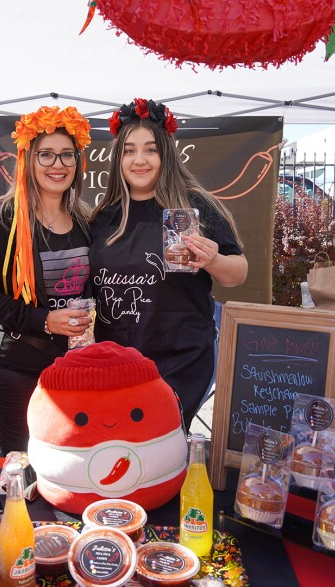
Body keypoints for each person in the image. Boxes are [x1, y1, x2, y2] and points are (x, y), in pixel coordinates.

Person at [90, 98, 249, 431]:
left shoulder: (193, 205)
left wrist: (214, 260)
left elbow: (238, 273)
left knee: (161, 447)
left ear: (166, 154)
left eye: (150, 149)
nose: (140, 160)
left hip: (180, 359)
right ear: (118, 158)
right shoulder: (105, 216)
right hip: (118, 361)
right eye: (129, 150)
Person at [0, 106, 93, 454]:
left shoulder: (85, 220)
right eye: (46, 155)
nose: (58, 164)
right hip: (14, 370)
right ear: (28, 160)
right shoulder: (2, 218)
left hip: (71, 371)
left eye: (67, 155)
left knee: (67, 464)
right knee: (24, 465)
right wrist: (44, 321)